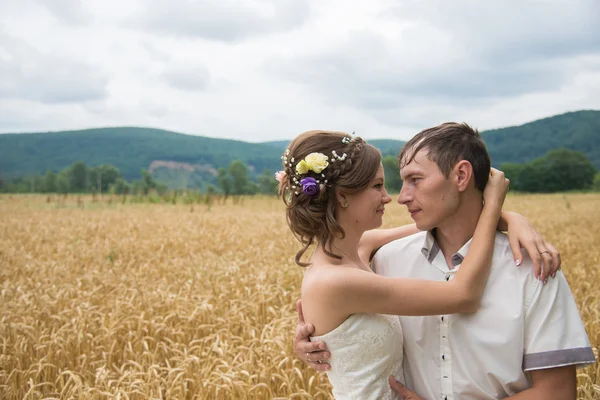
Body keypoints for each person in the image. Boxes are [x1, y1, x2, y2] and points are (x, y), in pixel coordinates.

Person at [293, 124, 596, 399]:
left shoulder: (533, 268)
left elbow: (557, 393)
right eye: (380, 185)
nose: (397, 198)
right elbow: (461, 295)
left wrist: (506, 217)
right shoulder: (384, 260)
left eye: (415, 179)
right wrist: (321, 343)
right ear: (342, 195)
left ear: (462, 176)